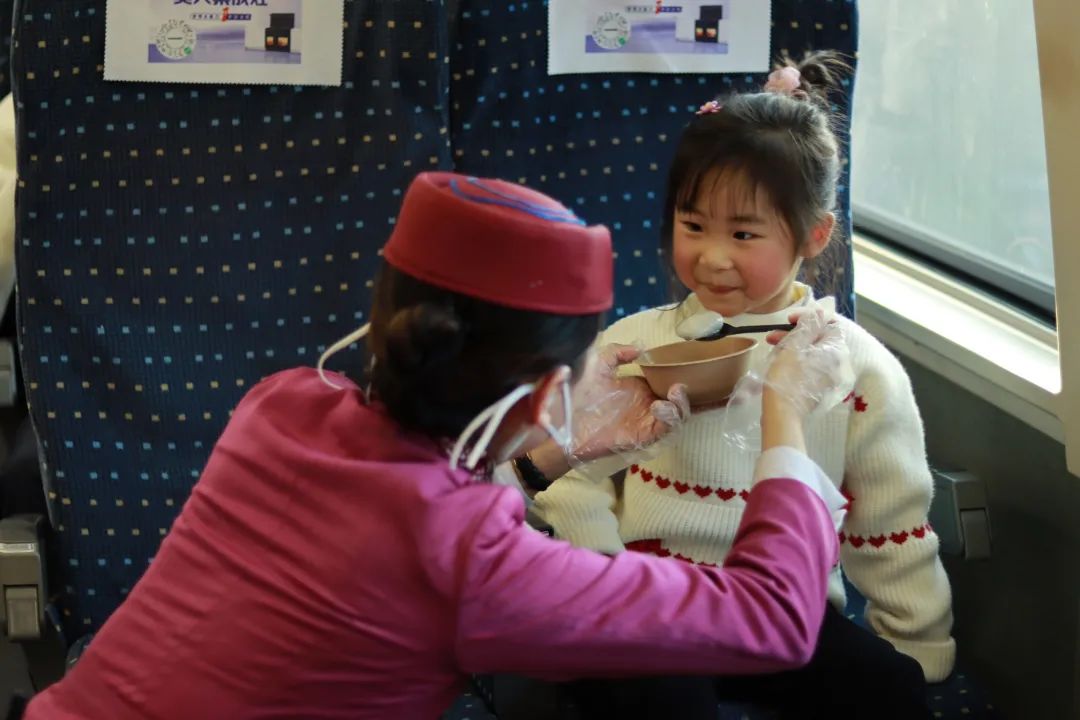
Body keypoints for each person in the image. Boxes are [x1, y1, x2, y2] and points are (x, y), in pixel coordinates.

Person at [23, 172, 847, 720]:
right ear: (547, 392)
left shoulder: (278, 406)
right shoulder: (475, 561)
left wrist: (538, 456)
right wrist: (786, 411)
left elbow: (388, 526)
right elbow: (772, 620)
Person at [535, 52, 954, 720]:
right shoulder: (629, 347)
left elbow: (891, 518)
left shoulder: (855, 367)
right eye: (693, 225)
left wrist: (917, 645)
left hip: (785, 610)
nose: (712, 255)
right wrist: (604, 577)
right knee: (663, 699)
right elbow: (569, 479)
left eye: (744, 232)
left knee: (891, 690)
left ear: (813, 235)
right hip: (653, 603)